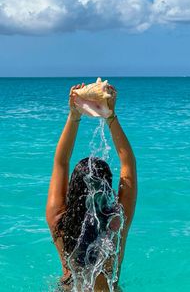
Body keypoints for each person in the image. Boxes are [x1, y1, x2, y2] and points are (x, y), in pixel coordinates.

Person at [46, 82, 137, 291]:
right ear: (107, 188)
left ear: (72, 188)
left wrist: (74, 115)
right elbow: (128, 165)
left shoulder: (58, 221)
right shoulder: (117, 224)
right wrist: (110, 116)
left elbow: (60, 162)